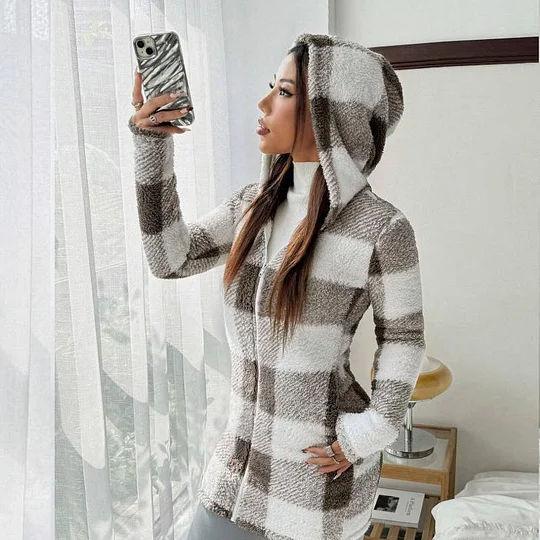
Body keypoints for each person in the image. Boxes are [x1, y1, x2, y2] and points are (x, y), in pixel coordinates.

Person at [128, 32, 426, 540]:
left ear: (331, 116)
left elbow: (404, 338)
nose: (264, 103)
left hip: (316, 478)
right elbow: (168, 258)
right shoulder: (251, 207)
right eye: (273, 87)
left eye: (284, 92)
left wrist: (369, 432)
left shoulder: (381, 228)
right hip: (236, 468)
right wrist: (151, 143)